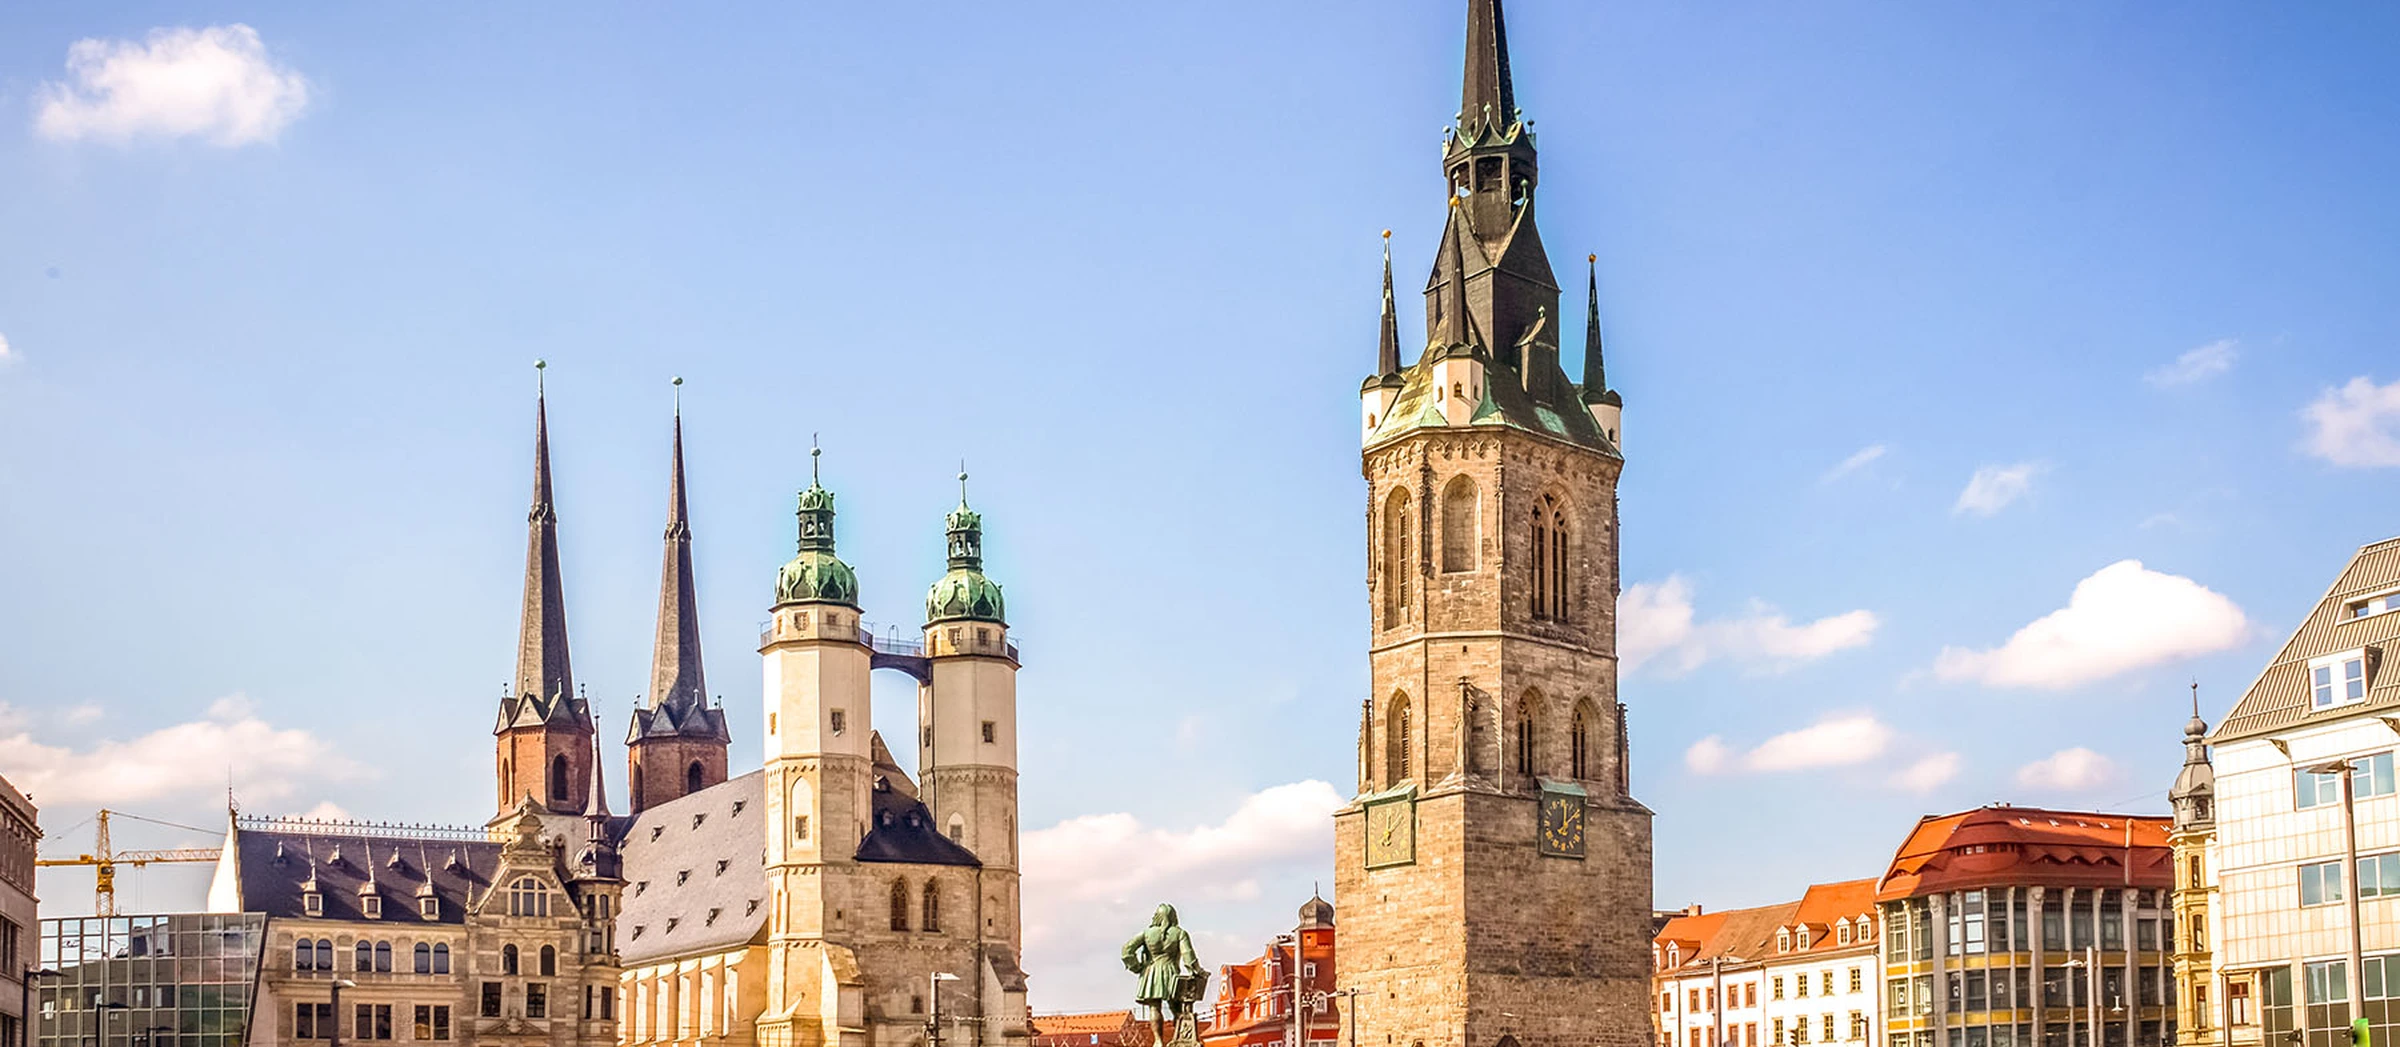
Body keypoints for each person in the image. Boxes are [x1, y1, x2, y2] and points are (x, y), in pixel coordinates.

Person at [1122, 903, 1202, 1044]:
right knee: (1177, 1008)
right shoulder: (1179, 933)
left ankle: (1158, 1041)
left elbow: (1127, 950)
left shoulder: (1147, 933)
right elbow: (1188, 955)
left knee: (1154, 1007)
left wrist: (1137, 967)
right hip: (1171, 972)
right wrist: (1196, 970)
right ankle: (1181, 1037)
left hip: (1151, 973)